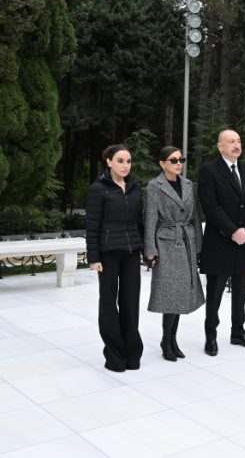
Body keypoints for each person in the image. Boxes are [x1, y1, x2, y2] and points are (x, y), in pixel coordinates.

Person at [198, 129, 245, 356]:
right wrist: (232, 231)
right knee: (215, 292)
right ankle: (210, 336)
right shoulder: (209, 171)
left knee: (241, 290)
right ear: (220, 146)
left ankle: (238, 332)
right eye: (231, 141)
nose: (236, 145)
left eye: (238, 141)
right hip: (220, 241)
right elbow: (210, 205)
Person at [86, 144, 145, 372]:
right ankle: (114, 355)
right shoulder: (98, 189)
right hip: (108, 253)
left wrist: (146, 250)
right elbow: (92, 225)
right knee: (109, 303)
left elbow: (140, 222)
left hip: (131, 253)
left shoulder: (134, 187)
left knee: (130, 302)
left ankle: (132, 353)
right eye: (120, 161)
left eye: (128, 161)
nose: (125, 165)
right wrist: (93, 257)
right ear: (109, 162)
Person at [144, 147, 206, 361]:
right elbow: (150, 219)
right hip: (166, 245)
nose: (178, 163)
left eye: (181, 159)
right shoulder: (154, 186)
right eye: (173, 160)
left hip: (187, 242)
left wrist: (198, 246)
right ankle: (166, 341)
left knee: (181, 293)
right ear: (162, 164)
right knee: (170, 293)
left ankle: (172, 339)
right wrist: (150, 251)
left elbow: (195, 217)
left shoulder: (188, 185)